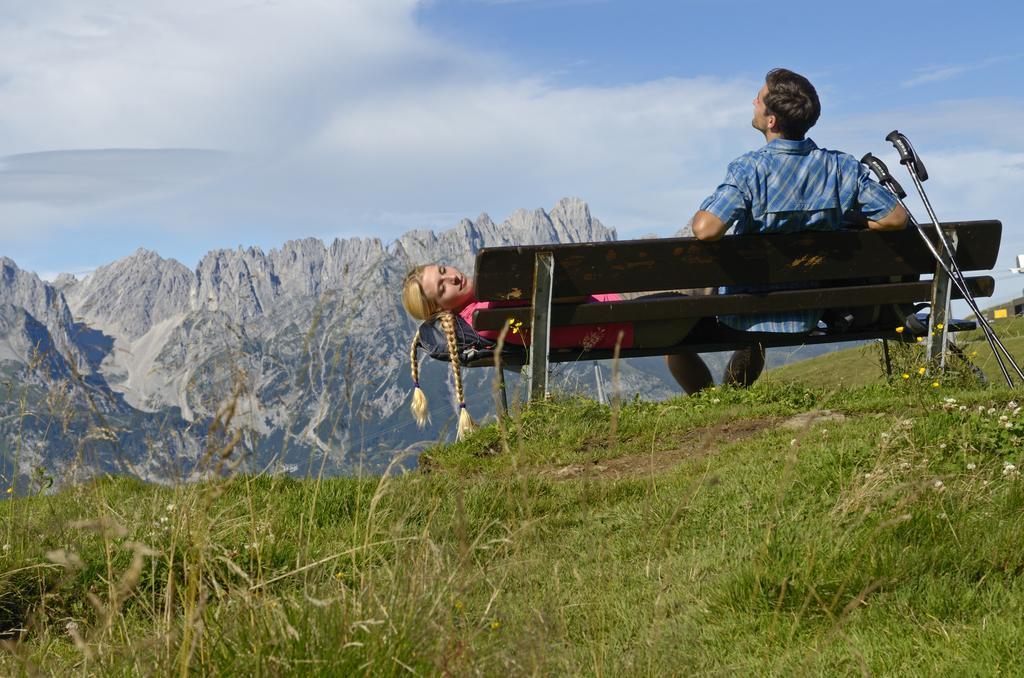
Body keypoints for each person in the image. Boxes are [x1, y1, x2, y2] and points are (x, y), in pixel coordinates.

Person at [666, 67, 909, 393]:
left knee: (671, 333)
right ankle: (732, 397)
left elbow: (706, 229)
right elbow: (896, 218)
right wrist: (845, 218)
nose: (753, 101)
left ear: (771, 121)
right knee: (756, 339)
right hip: (809, 309)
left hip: (748, 308)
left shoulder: (749, 169)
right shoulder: (840, 167)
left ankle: (709, 402)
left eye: (760, 98)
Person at [401, 263, 634, 439]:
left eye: (444, 270)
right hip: (627, 323)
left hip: (622, 321)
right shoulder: (488, 310)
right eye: (443, 288)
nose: (453, 277)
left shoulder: (482, 314)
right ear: (440, 309)